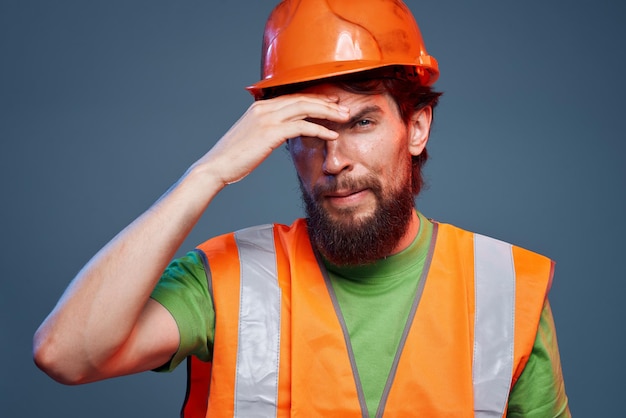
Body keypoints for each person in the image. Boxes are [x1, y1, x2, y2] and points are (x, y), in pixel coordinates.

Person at [33, 0, 570, 416]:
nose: (333, 159)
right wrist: (209, 172)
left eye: (361, 122)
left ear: (417, 127)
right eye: (308, 130)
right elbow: (65, 354)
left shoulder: (506, 289)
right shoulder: (226, 280)